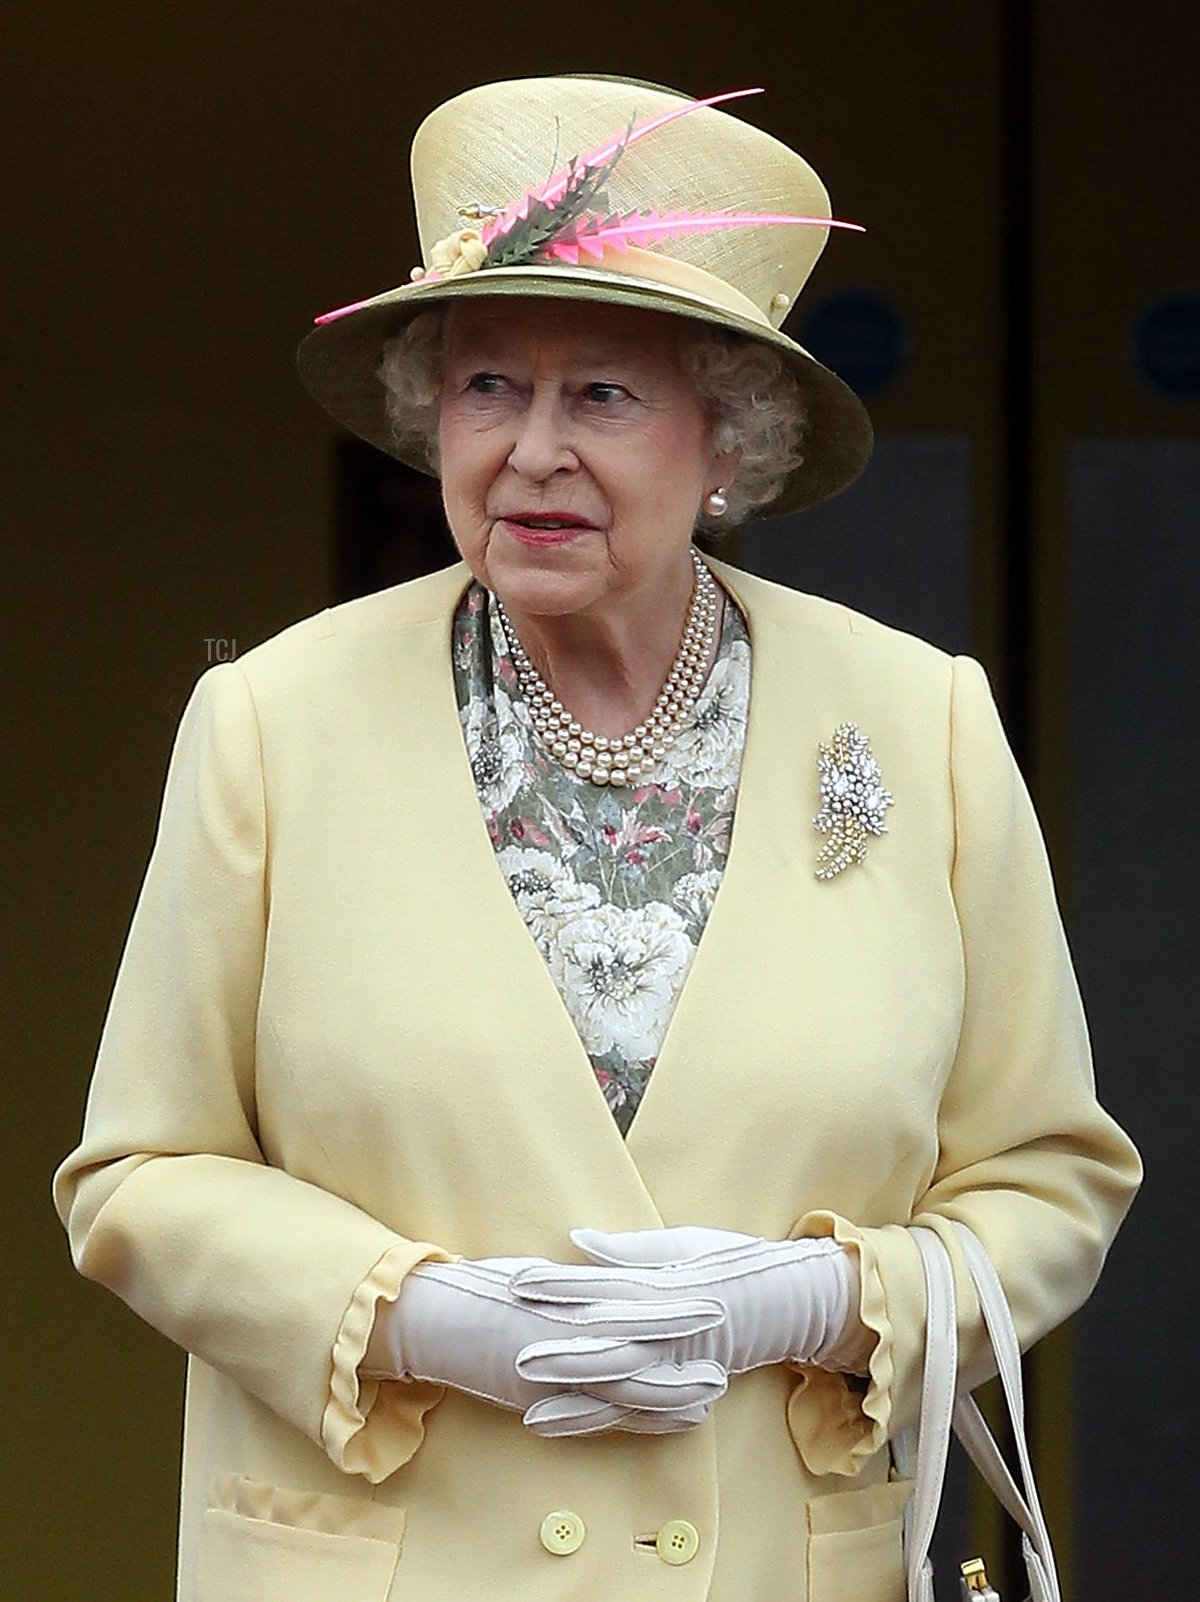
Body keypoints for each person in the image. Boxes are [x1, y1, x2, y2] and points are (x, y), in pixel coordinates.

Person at [54, 74, 1140, 1602]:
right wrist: (412, 1318)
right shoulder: (269, 723)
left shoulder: (922, 723)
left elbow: (1050, 1181)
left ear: (729, 445)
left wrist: (824, 1296)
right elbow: (139, 1174)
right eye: (489, 386)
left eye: (604, 395)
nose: (534, 450)